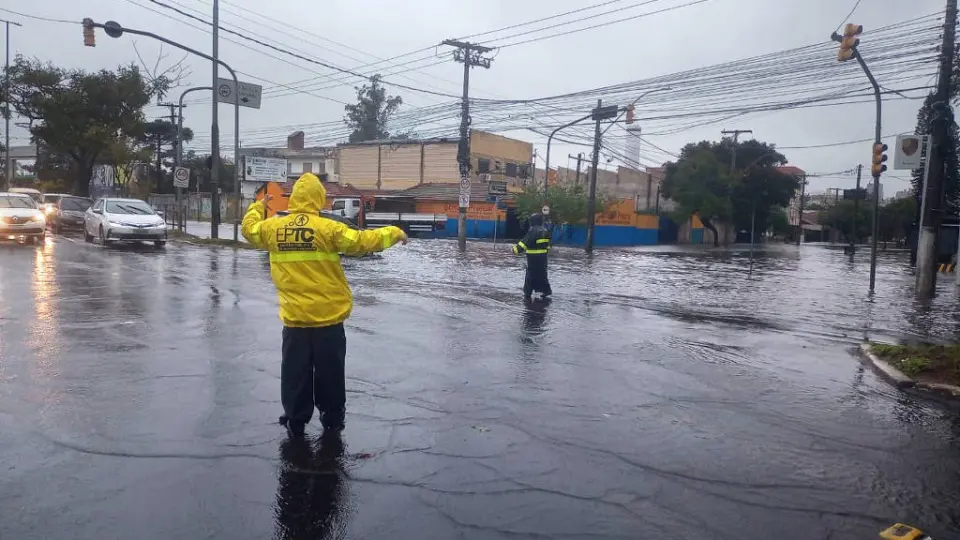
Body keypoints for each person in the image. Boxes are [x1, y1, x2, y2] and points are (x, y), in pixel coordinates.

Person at [241, 172, 407, 438]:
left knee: (295, 371)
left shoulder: (273, 228)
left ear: (294, 198)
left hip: (295, 319)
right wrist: (394, 232)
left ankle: (295, 418)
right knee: (330, 373)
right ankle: (332, 420)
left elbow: (249, 230)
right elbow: (363, 242)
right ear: (318, 198)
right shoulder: (328, 228)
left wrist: (257, 206)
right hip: (329, 318)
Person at [513, 213, 552, 300]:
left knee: (530, 275)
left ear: (533, 221)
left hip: (533, 258)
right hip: (543, 257)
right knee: (542, 274)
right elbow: (548, 246)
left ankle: (527, 293)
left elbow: (524, 243)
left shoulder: (533, 231)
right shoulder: (545, 231)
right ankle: (546, 291)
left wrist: (515, 250)